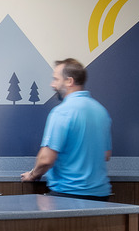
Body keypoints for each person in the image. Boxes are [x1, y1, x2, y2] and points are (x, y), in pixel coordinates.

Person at [19, 58, 113, 199]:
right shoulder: (101, 111)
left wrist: (32, 175)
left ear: (69, 81)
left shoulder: (62, 112)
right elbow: (106, 155)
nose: (53, 85)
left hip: (69, 195)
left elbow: (46, 159)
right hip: (101, 195)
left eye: (56, 79)